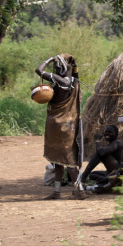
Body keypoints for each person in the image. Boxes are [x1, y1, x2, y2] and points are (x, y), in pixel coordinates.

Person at [35, 54, 87, 200]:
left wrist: (49, 59)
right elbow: (75, 72)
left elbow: (38, 71)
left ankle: (80, 190)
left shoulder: (60, 80)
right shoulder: (73, 81)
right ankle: (57, 191)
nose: (55, 69)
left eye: (56, 67)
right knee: (59, 159)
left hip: (59, 126)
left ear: (60, 69)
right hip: (70, 125)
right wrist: (74, 63)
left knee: (67, 160)